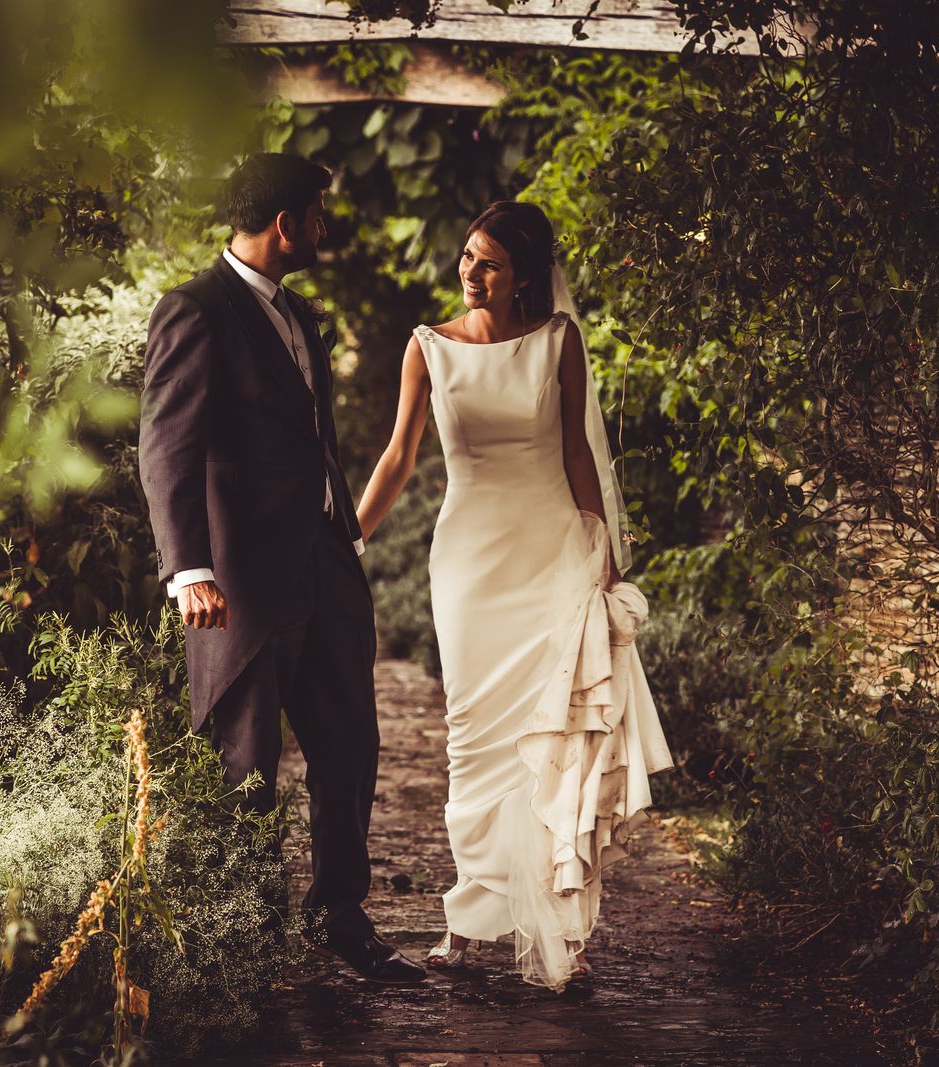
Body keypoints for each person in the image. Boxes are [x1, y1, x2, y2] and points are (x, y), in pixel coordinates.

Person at [356, 200, 673, 991]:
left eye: (489, 261)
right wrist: (347, 535)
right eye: (467, 255)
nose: (471, 271)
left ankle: (560, 919)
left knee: (551, 737)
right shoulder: (427, 347)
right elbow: (398, 457)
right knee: (470, 736)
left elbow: (575, 451)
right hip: (468, 561)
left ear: (523, 275)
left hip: (551, 555)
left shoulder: (559, 343)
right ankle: (466, 918)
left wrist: (600, 549)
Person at [138, 152, 426, 985]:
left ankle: (339, 913)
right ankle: (246, 937)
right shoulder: (194, 310)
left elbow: (312, 442)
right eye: (317, 214)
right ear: (285, 224)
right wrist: (188, 568)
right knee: (246, 761)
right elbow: (166, 449)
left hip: (327, 569)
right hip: (241, 584)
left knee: (351, 746)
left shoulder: (303, 315)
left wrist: (346, 537)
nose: (325, 229)